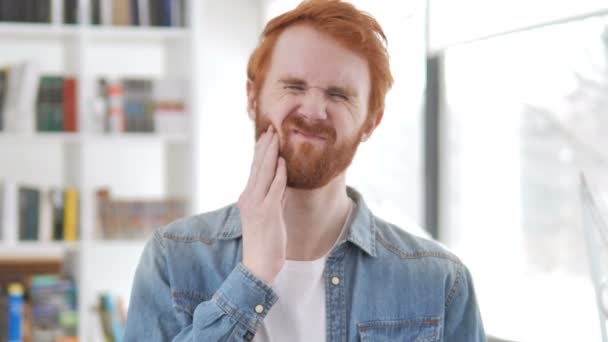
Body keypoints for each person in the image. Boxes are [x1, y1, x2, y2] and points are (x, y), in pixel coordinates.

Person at [124, 1, 486, 341]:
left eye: (340, 95)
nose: (313, 110)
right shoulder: (173, 259)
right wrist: (253, 276)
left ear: (371, 122)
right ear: (253, 98)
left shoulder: (440, 283)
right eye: (294, 86)